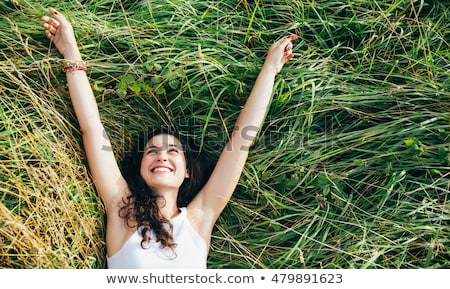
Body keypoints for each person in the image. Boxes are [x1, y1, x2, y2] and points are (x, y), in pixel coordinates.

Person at [41, 7, 297, 269]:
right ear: (140, 168)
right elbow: (92, 128)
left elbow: (241, 142)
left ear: (187, 171)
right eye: (151, 151)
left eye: (173, 151)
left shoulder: (200, 217)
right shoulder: (123, 210)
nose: (161, 155)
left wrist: (270, 69)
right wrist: (71, 54)